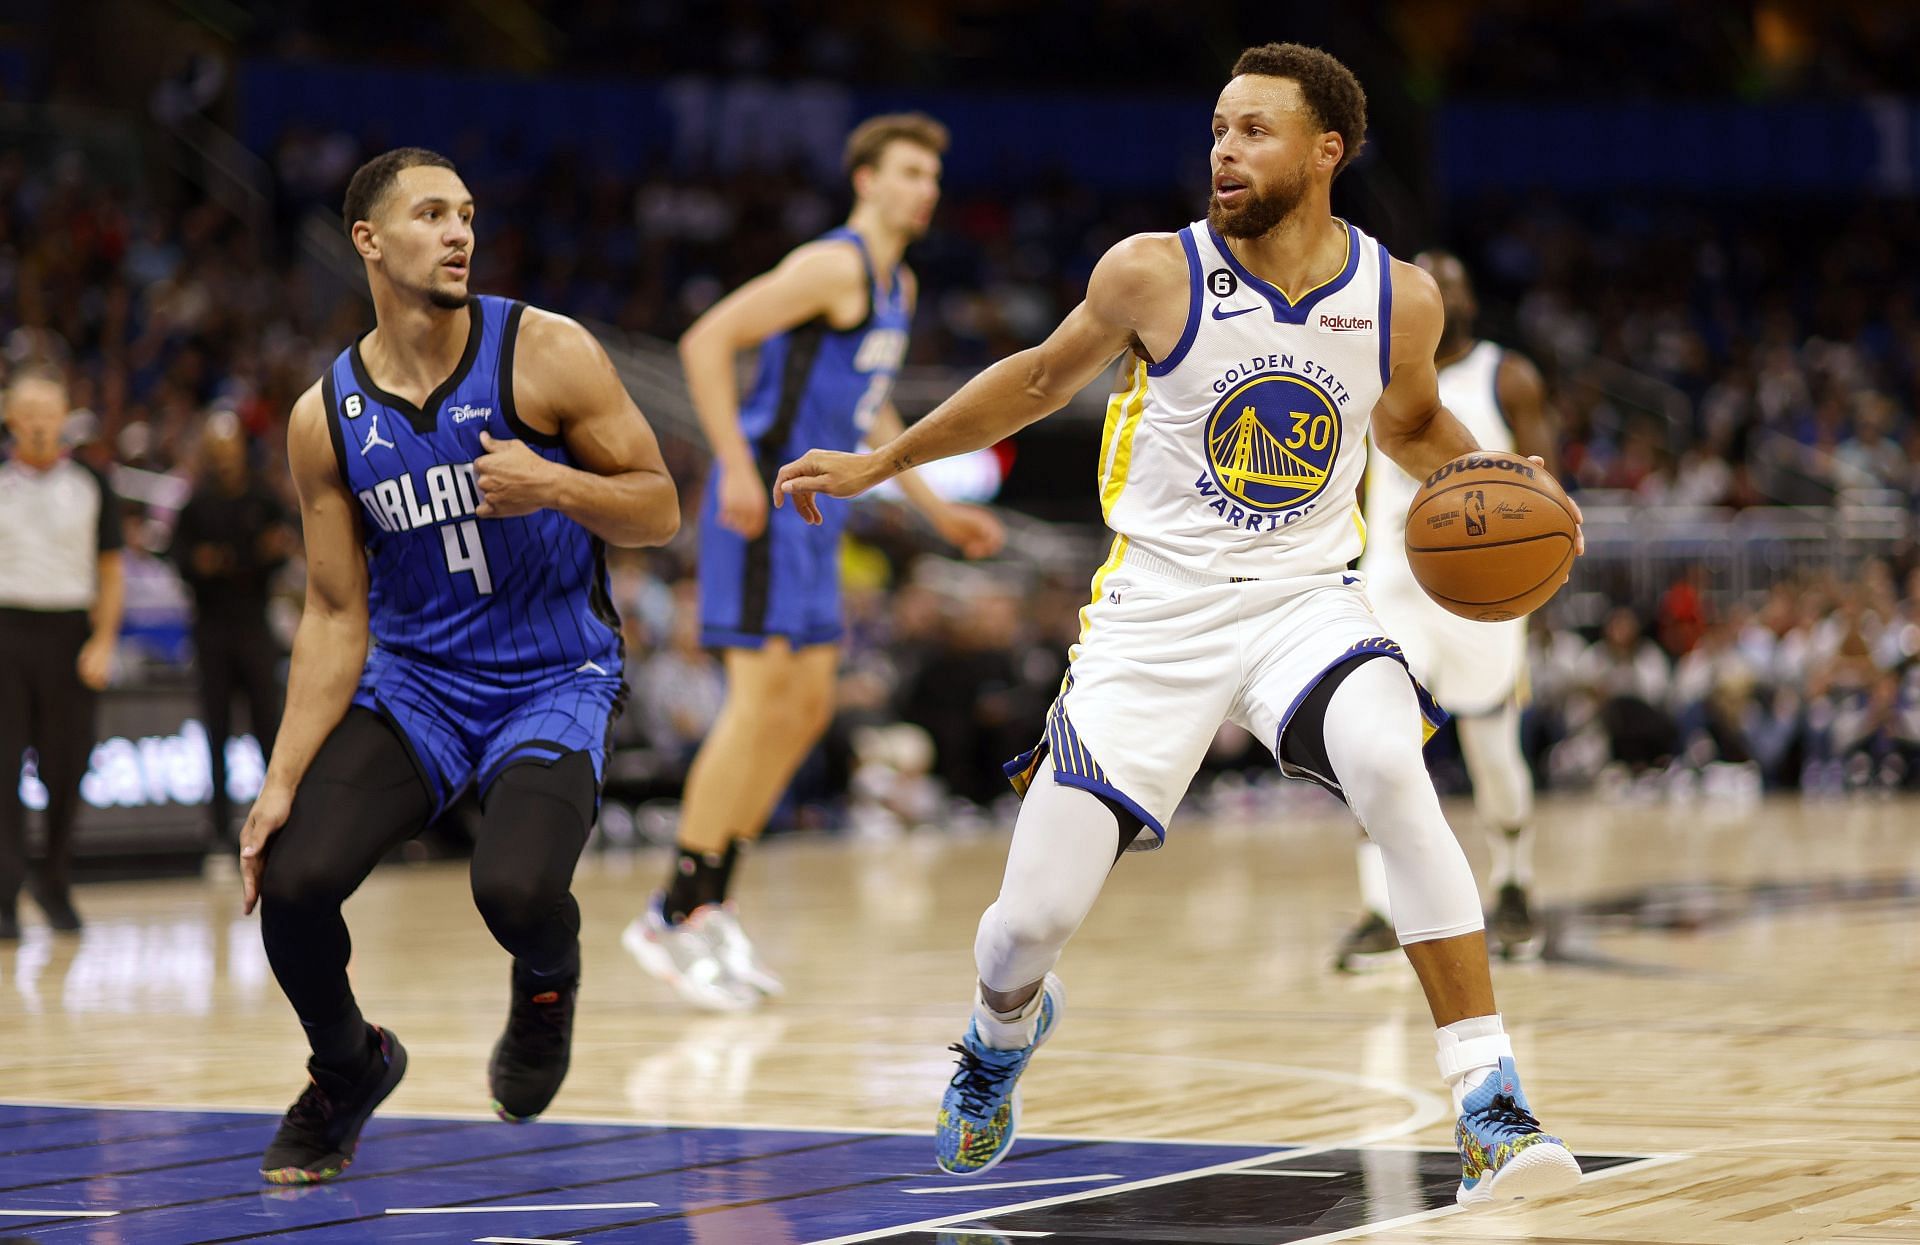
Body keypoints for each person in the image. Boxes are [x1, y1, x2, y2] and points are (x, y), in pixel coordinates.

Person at [776, 43, 1585, 1207]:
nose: (1225, 149)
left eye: (1255, 130)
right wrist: (887, 461)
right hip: (1154, 617)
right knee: (1027, 923)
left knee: (1391, 769)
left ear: (1327, 151)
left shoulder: (1399, 296)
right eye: (1219, 127)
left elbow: (1410, 428)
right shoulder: (1154, 272)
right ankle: (1000, 1035)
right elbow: (1041, 378)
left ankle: (1491, 1106)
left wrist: (1514, 483)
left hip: (1308, 599)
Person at [240, 148, 679, 1184]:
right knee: (293, 883)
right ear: (368, 241)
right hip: (419, 689)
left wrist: (557, 488)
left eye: (468, 214)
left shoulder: (546, 351)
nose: (458, 233)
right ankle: (349, 1068)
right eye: (431, 214)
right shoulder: (325, 418)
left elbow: (659, 506)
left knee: (516, 889)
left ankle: (545, 991)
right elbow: (336, 611)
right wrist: (279, 783)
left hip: (553, 677)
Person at [623, 113, 1002, 1011]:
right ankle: (669, 912)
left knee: (807, 708)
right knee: (757, 707)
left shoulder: (897, 285)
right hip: (762, 499)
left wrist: (936, 505)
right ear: (866, 180)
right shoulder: (832, 265)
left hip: (817, 508)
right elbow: (706, 340)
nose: (926, 189)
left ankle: (712, 899)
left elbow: (864, 410)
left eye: (932, 176)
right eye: (909, 171)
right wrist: (737, 465)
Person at [1338, 251, 1559, 970]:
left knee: (1494, 752)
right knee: (1378, 742)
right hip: (1395, 581)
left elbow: (1544, 485)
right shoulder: (1372, 372)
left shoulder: (1508, 377)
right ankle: (1379, 907)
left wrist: (1538, 587)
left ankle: (1515, 884)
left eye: (1452, 283)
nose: (1440, 295)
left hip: (1483, 594)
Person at [0, 364, 123, 939]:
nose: (41, 427)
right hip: (8, 630)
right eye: (30, 417)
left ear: (64, 419)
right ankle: (4, 893)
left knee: (66, 769)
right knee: (3, 771)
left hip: (71, 633)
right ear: (11, 420)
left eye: (50, 415)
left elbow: (111, 571)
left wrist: (103, 641)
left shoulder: (92, 485)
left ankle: (53, 881)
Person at [170, 411, 295, 848]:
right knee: (216, 731)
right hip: (212, 630)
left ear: (242, 448)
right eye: (216, 450)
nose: (224, 458)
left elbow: (284, 544)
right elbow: (183, 560)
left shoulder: (263, 497)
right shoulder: (196, 503)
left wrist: (228, 560)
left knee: (269, 727)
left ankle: (281, 823)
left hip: (255, 626)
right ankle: (220, 834)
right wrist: (233, 559)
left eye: (230, 448)